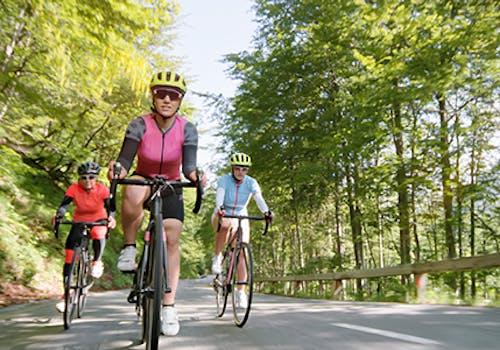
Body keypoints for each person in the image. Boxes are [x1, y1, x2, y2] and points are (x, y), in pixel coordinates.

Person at [109, 70, 205, 336]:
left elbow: (189, 166)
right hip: (143, 176)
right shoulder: (139, 124)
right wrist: (118, 170)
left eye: (173, 95)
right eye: (160, 93)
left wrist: (197, 177)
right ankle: (129, 247)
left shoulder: (188, 128)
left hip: (172, 183)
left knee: (172, 238)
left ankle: (169, 306)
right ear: (152, 97)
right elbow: (126, 160)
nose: (166, 99)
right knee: (132, 191)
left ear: (180, 100)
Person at [52, 162, 116, 312]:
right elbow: (64, 205)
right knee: (69, 257)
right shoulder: (74, 188)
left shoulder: (102, 190)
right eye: (84, 177)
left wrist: (111, 218)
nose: (87, 180)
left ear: (96, 178)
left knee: (98, 233)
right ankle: (66, 295)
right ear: (80, 178)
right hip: (79, 220)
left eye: (91, 177)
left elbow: (110, 208)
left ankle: (96, 262)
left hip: (98, 219)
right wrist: (59, 216)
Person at [211, 152, 273, 308]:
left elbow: (258, 198)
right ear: (232, 168)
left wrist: (266, 212)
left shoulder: (251, 182)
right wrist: (220, 207)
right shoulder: (225, 180)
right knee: (225, 225)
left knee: (243, 252)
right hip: (224, 211)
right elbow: (220, 194)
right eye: (238, 168)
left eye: (244, 169)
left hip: (240, 213)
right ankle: (217, 257)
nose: (241, 172)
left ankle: (241, 292)